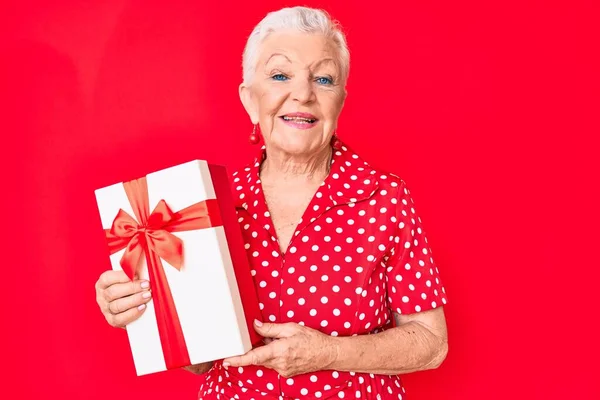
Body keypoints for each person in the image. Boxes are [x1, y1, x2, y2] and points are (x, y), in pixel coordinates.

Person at [95, 6, 449, 399]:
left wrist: (328, 352)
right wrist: (138, 308)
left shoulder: (384, 197)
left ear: (340, 100)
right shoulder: (208, 204)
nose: (303, 93)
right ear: (250, 99)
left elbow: (431, 343)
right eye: (280, 75)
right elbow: (201, 360)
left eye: (324, 79)